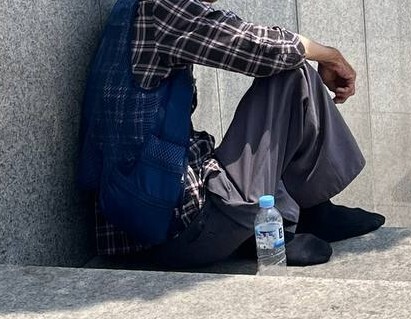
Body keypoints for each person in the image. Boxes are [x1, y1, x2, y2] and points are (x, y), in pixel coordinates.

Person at [77, 0, 385, 269]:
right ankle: (302, 215)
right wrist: (329, 54)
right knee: (292, 73)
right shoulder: (161, 8)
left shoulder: (133, 10)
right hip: (179, 227)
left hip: (154, 212)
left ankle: (310, 209)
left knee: (291, 67)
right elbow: (255, 46)